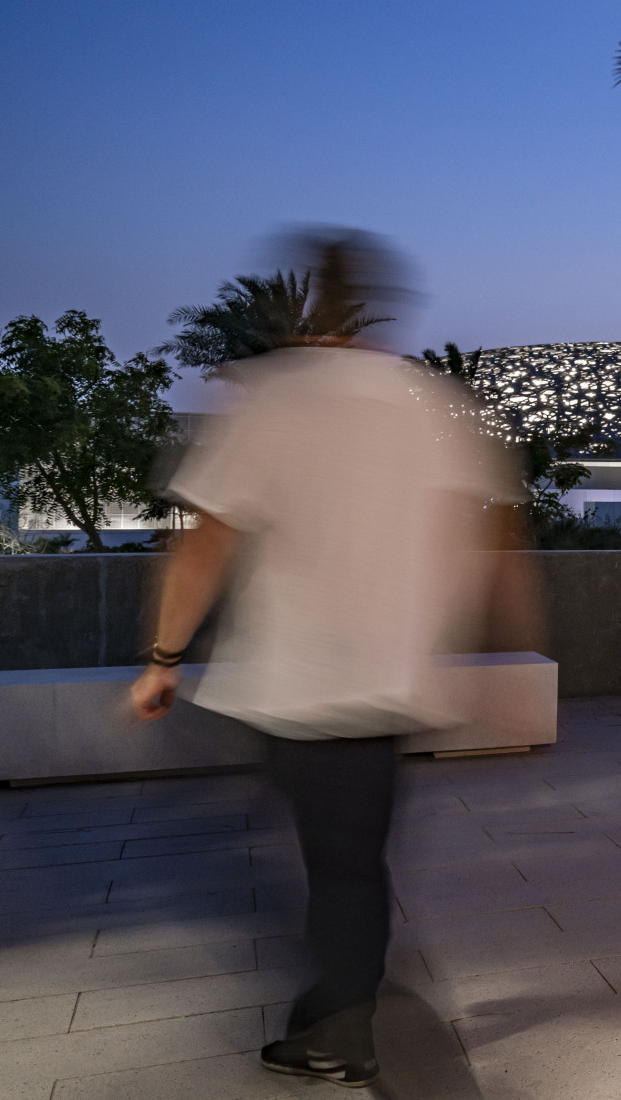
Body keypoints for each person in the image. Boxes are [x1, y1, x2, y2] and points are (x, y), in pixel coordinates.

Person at [129, 231, 536, 1088]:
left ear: (305, 304)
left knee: (339, 859)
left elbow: (206, 541)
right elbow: (491, 527)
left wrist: (164, 657)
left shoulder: (273, 399)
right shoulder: (426, 400)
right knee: (354, 854)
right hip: (392, 674)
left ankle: (341, 1026)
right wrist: (485, 636)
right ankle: (338, 999)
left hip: (301, 676)